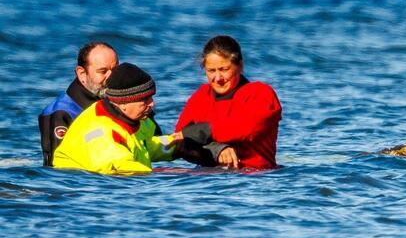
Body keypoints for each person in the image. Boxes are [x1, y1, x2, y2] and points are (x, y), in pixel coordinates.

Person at [52, 63, 181, 175]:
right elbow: (121, 167)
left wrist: (180, 144)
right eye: (145, 99)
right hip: (76, 191)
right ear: (123, 103)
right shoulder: (100, 132)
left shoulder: (130, 119)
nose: (152, 104)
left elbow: (145, 145)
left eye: (151, 97)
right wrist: (169, 175)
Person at [176, 35, 281, 169]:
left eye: (224, 69)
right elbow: (179, 140)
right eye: (211, 71)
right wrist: (217, 150)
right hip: (205, 178)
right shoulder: (201, 95)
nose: (218, 77)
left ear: (240, 66)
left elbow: (247, 128)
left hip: (254, 177)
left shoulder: (261, 93)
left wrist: (203, 131)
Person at [39, 42, 119, 166]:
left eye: (115, 70)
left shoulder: (128, 103)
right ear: (82, 73)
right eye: (102, 71)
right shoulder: (61, 113)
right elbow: (58, 168)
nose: (111, 77)